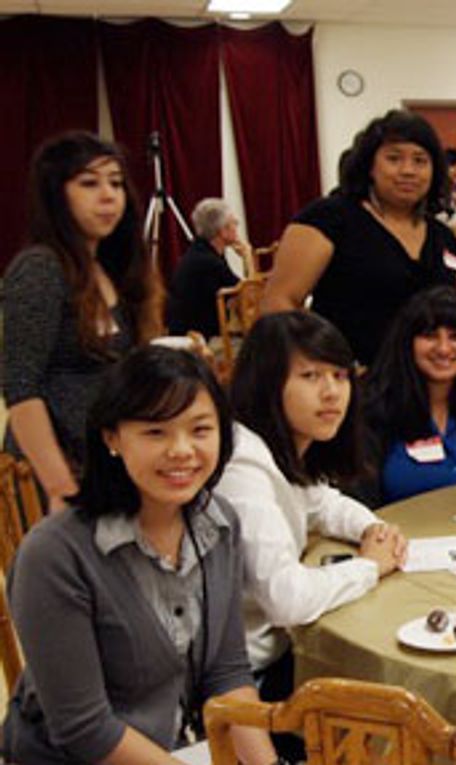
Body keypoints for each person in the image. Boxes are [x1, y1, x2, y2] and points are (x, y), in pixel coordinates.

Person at [3, 346, 276, 764]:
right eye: (155, 432)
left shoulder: (219, 524)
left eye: (200, 430)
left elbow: (227, 673)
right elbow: (85, 728)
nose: (182, 450)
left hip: (171, 749)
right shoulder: (54, 555)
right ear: (112, 438)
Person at [214, 311, 405, 712]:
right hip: (248, 680)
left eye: (339, 375)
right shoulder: (242, 463)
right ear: (267, 383)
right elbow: (287, 600)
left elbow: (324, 503)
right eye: (311, 376)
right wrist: (369, 567)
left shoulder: (285, 444)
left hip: (278, 652)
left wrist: (373, 529)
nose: (332, 392)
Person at [2, 131, 165, 511]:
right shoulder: (40, 269)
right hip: (57, 470)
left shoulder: (108, 267)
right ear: (56, 195)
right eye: (89, 183)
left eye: (116, 183)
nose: (108, 196)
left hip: (104, 457)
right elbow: (21, 387)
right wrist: (59, 485)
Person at [261, 109, 456, 365]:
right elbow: (279, 304)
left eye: (420, 161)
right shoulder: (328, 219)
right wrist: (321, 368)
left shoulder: (443, 237)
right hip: (347, 377)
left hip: (426, 378)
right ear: (370, 166)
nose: (408, 170)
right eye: (394, 158)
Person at [362, 286, 456, 505]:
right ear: (407, 342)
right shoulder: (373, 405)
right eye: (429, 336)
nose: (443, 349)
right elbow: (359, 500)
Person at [167, 198, 249, 339]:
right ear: (222, 231)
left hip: (196, 334)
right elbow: (249, 296)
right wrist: (248, 257)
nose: (237, 224)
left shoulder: (201, 252)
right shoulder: (208, 262)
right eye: (233, 222)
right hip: (200, 341)